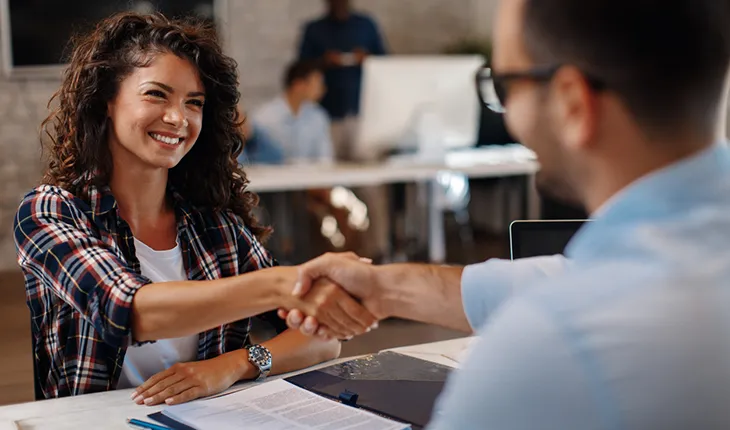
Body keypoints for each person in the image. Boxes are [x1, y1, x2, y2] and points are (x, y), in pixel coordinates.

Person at [283, 0, 730, 428]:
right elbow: (562, 277)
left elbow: (566, 303)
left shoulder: (550, 347)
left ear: (572, 103)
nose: (506, 110)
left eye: (505, 86)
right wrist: (383, 289)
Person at [13, 12, 376, 404]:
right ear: (106, 102)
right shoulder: (49, 211)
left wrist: (235, 364)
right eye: (156, 94)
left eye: (194, 103)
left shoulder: (216, 225)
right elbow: (130, 312)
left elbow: (322, 340)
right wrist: (284, 285)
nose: (178, 118)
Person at [298, 0, 386, 160]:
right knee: (329, 168)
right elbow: (301, 68)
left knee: (367, 171)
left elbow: (385, 62)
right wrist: (324, 61)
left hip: (362, 111)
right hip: (327, 113)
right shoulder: (314, 29)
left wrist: (367, 58)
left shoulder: (365, 25)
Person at [252, 60, 333, 164]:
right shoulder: (264, 117)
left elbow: (325, 159)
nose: (322, 90)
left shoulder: (318, 116)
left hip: (310, 178)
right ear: (298, 85)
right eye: (317, 84)